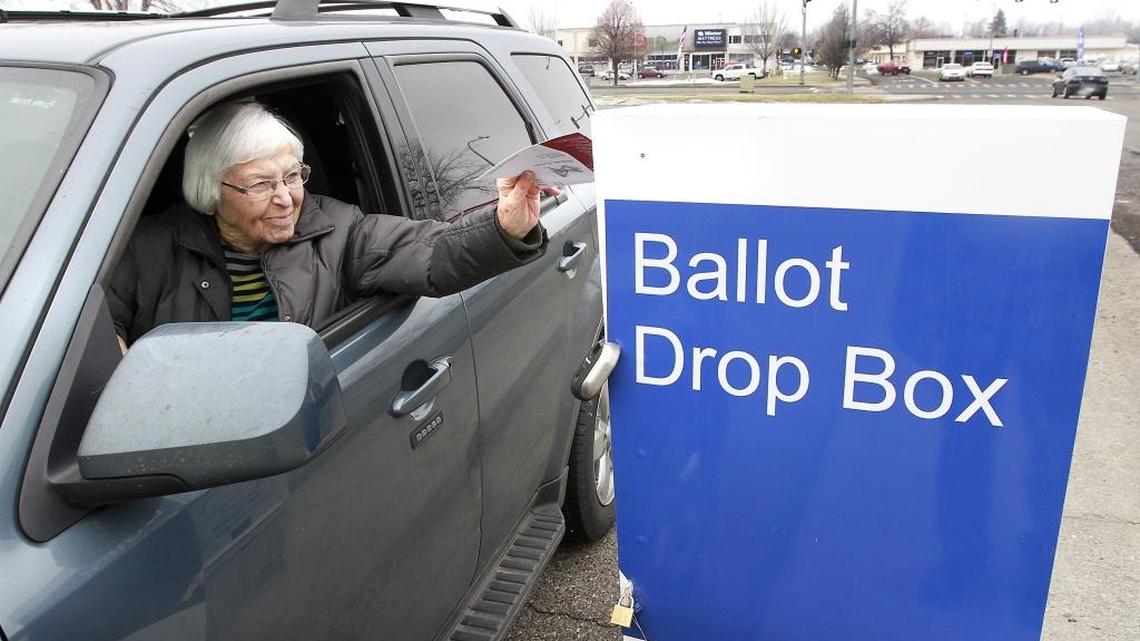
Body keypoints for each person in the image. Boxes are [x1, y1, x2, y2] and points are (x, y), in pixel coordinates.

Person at [108, 101, 548, 345]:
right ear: (209, 192)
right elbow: (81, 336)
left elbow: (425, 252)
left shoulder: (336, 229)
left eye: (292, 176)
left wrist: (502, 229)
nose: (286, 199)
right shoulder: (145, 250)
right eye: (261, 184)